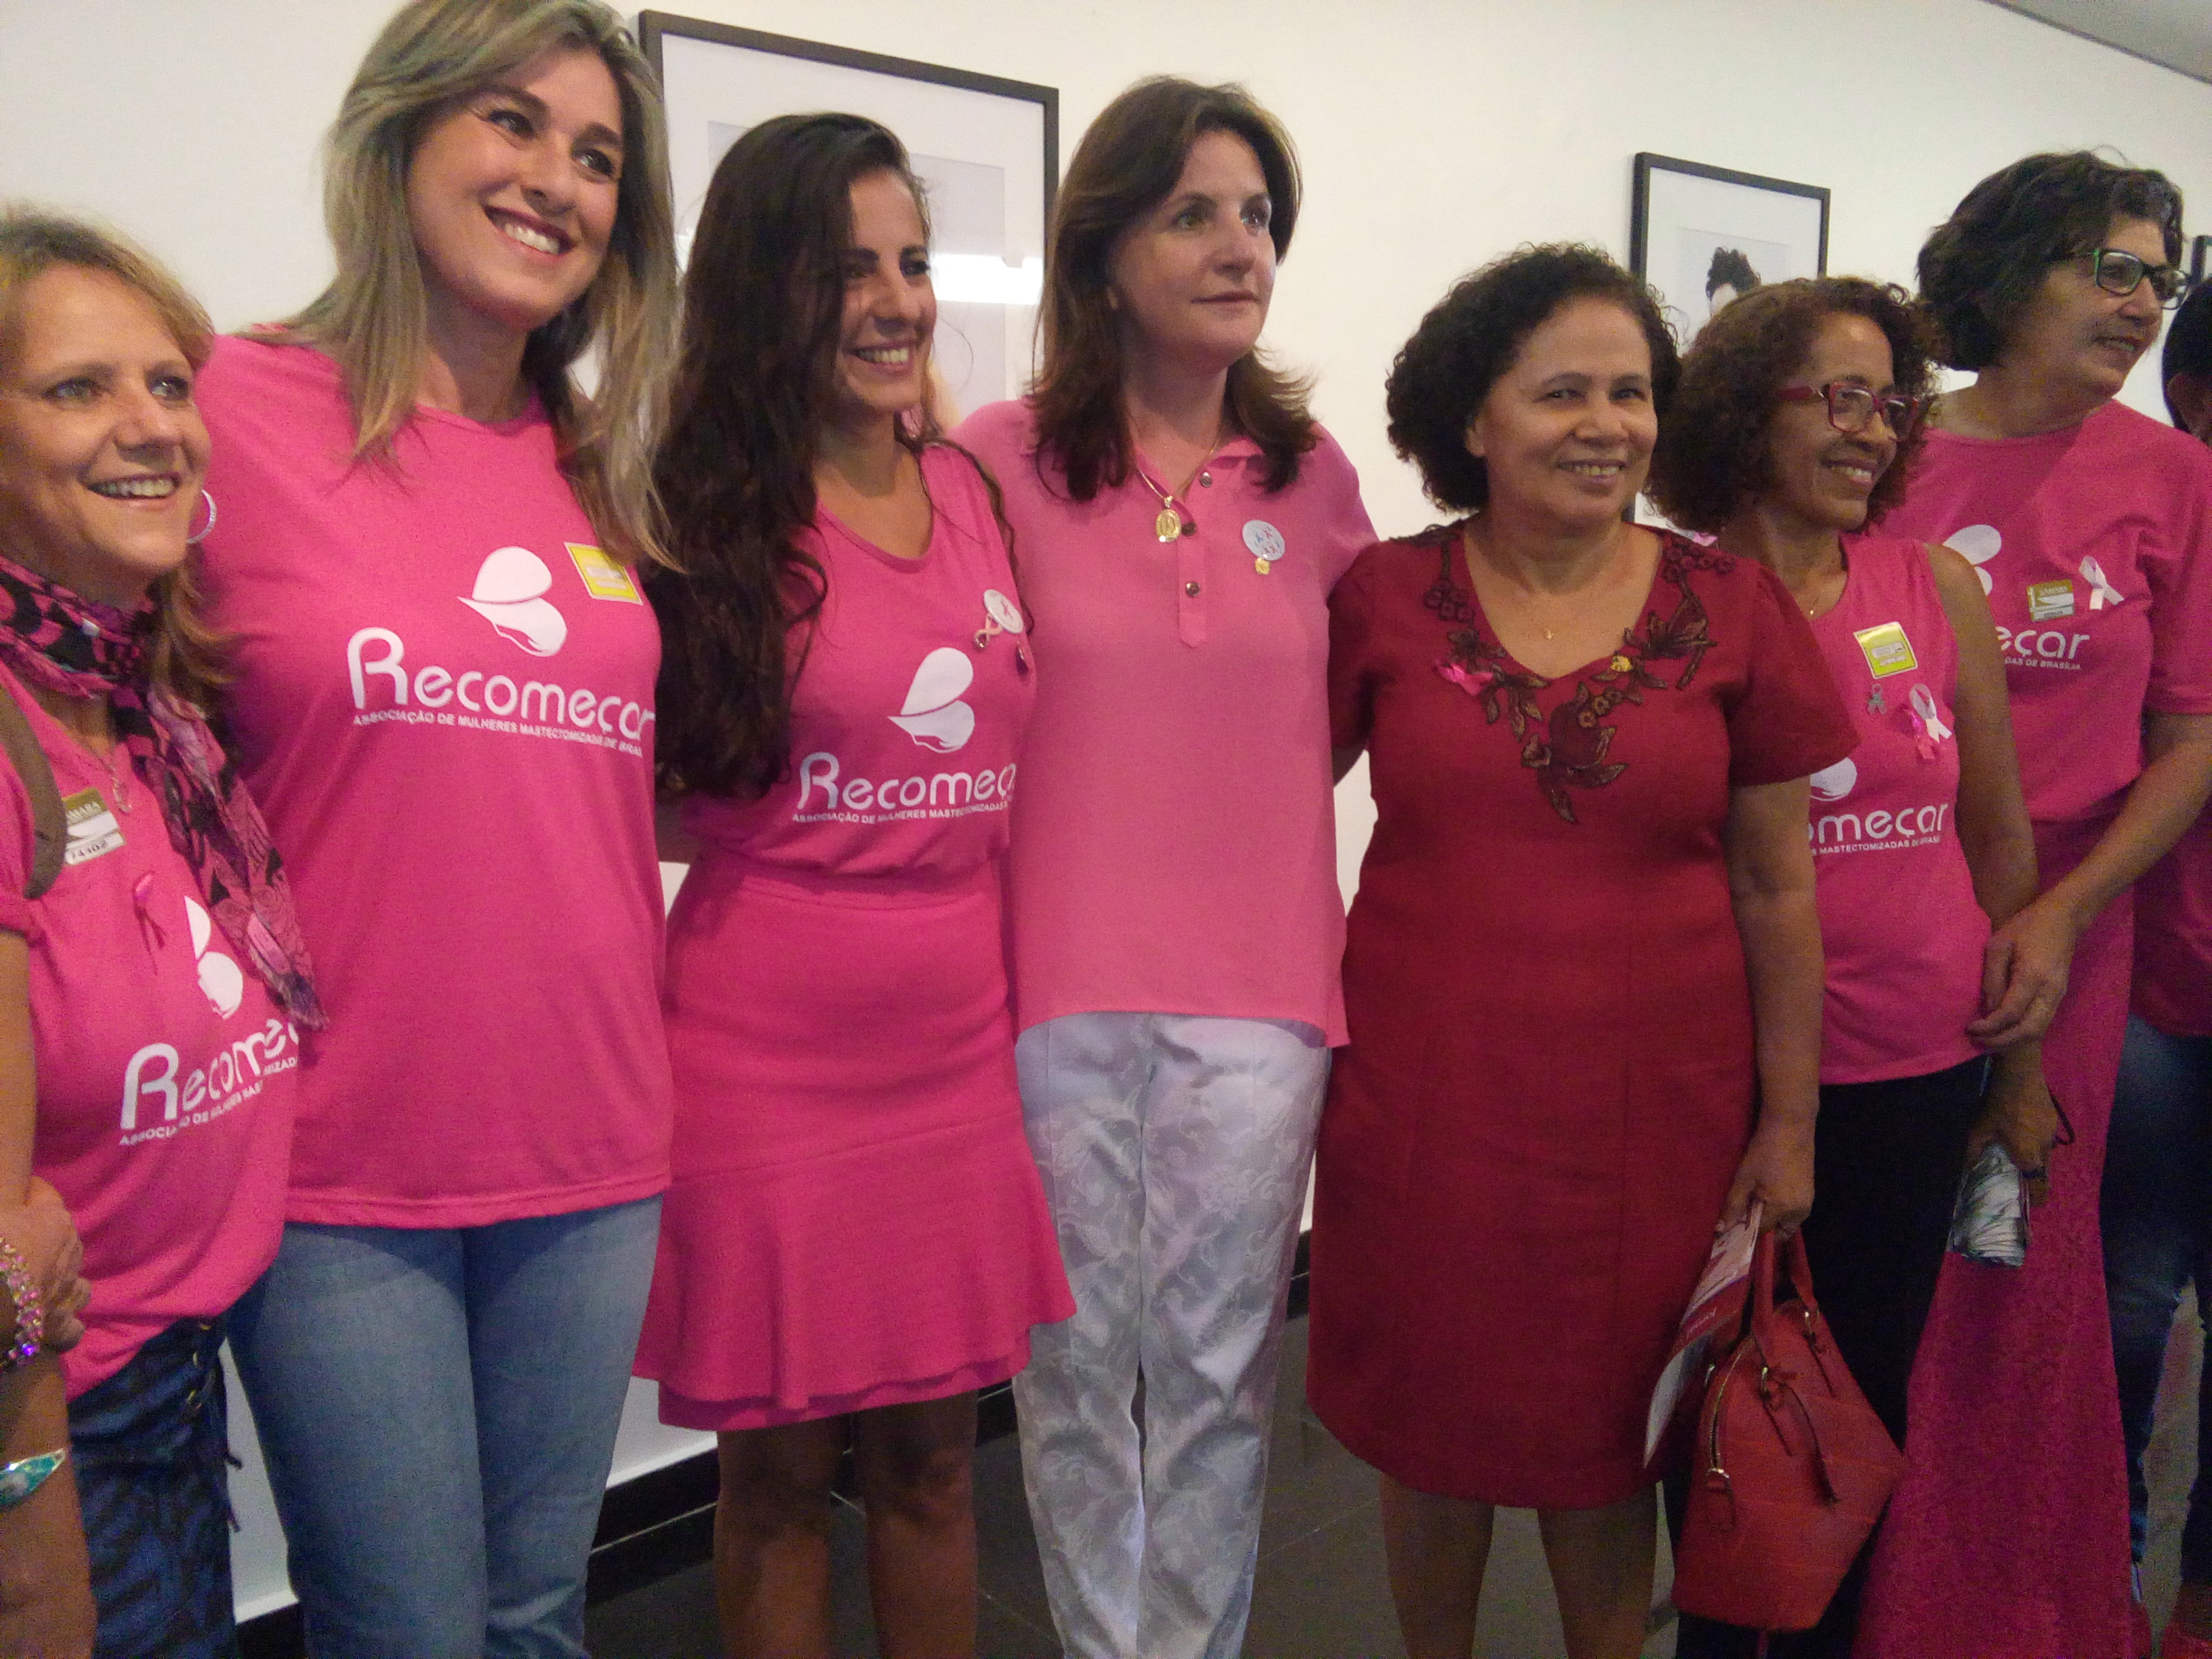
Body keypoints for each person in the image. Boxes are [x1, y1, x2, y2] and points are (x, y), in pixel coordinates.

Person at [189, 2, 681, 1653]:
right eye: (512, 123)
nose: (557, 180)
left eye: (597, 156)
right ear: (398, 133)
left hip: (593, 1133)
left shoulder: (599, 460)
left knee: (539, 1614)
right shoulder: (226, 406)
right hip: (339, 1153)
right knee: (402, 1629)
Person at [1311, 243, 1856, 1659]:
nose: (1606, 425)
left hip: (1652, 1118)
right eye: (1563, 392)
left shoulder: (1734, 608)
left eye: (1630, 392)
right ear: (1473, 418)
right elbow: (1261, 822)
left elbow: (1778, 887)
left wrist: (1790, 1121)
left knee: (1611, 1445)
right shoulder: (1383, 597)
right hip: (1426, 1103)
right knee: (1428, 1432)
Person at [634, 113, 1071, 1659]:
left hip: (953, 1046)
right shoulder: (700, 517)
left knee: (938, 1465)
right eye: (847, 271)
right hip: (765, 1056)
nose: (896, 303)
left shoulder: (969, 489)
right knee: (772, 1480)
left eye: (912, 263)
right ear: (766, 289)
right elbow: (644, 780)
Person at [955, 77, 1376, 1659]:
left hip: (1262, 999)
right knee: (1069, 1370)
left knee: (1219, 1371)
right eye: (1193, 213)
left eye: (1258, 215)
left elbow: (1345, 709)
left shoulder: (1311, 474)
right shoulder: (993, 461)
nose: (1238, 245)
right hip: (1049, 990)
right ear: (1104, 250)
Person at [1645, 275, 2054, 1657]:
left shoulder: (1933, 587)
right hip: (1726, 1078)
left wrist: (2018, 1073)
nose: (1872, 429)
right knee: (1717, 1411)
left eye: (1889, 402)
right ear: (1743, 412)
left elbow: (1996, 833)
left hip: (1916, 1074)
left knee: (1862, 1408)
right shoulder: (1675, 599)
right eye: (1839, 396)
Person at [1856, 150, 2212, 1659]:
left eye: (2159, 278)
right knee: (1880, 1262)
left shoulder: (2175, 480)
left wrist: (2066, 913)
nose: (2142, 304)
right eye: (2110, 269)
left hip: (2070, 931)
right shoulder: (1889, 456)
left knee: (2023, 1282)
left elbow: (2194, 738)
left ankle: (2013, 1612)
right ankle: (1849, 1597)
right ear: (2009, 274)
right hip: (1883, 909)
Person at [0, 208, 323, 1658]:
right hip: (58, 1436)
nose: (151, 426)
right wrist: (32, 1562)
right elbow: (3, 1269)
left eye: (169, 384)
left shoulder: (143, 708)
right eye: (78, 388)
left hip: (169, 1395)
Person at [2102, 274, 2212, 1659]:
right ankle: (2109, 1580)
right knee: (2127, 1308)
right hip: (2152, 976)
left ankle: (2199, 1603)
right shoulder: (2158, 538)